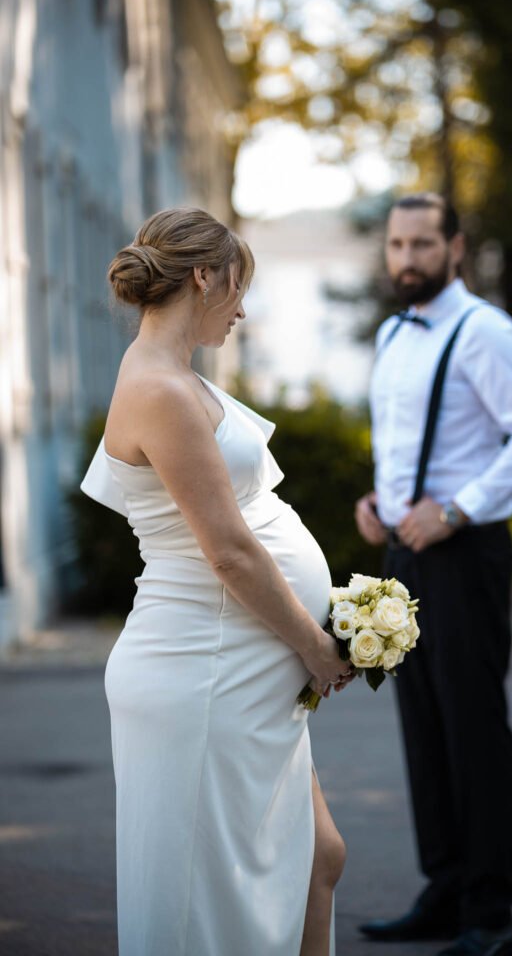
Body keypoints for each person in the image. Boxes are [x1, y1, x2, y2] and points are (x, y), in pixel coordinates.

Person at [80, 207, 355, 956]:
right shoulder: (158, 390)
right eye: (239, 288)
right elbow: (227, 550)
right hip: (202, 668)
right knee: (202, 909)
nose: (242, 307)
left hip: (240, 663)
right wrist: (316, 646)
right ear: (205, 275)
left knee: (318, 859)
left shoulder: (175, 376)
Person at [354, 193, 512, 956]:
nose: (405, 259)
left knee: (472, 729)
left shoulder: (485, 331)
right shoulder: (389, 331)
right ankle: (444, 890)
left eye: (420, 244)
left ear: (454, 247)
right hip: (402, 552)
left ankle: (490, 914)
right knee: (422, 726)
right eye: (395, 245)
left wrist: (459, 508)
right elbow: (405, 438)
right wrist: (379, 499)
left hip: (464, 554)